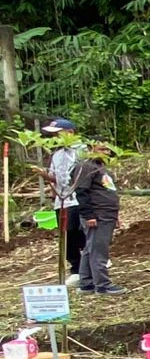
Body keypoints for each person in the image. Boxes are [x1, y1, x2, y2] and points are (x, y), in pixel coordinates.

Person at [74, 143, 126, 295]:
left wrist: (115, 214)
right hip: (97, 214)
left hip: (106, 213)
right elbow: (81, 191)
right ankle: (102, 285)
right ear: (91, 149)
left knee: (91, 248)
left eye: (108, 149)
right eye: (102, 149)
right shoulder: (86, 167)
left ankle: (87, 283)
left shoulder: (100, 167)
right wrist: (88, 214)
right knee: (98, 249)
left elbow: (106, 190)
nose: (106, 152)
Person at [41, 118, 85, 280]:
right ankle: (76, 269)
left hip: (77, 199)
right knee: (66, 236)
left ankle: (89, 265)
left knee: (78, 232)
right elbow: (54, 177)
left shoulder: (82, 151)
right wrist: (43, 174)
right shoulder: (56, 155)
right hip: (62, 200)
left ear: (70, 133)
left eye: (57, 134)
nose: (54, 138)